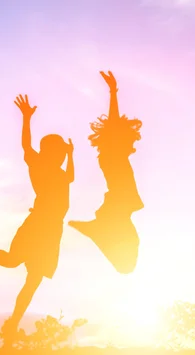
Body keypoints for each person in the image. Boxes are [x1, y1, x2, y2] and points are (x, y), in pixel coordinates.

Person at [0, 94, 74, 344]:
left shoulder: (62, 173)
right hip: (39, 225)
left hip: (52, 231)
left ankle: (13, 325)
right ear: (50, 152)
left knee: (33, 281)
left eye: (63, 152)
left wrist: (71, 155)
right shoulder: (39, 165)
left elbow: (71, 176)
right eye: (60, 151)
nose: (62, 155)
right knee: (12, 262)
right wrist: (26, 118)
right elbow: (26, 146)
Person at [69, 70, 143, 274]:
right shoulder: (114, 152)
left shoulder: (112, 154)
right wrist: (113, 92)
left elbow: (114, 126)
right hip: (121, 199)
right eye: (130, 139)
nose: (132, 143)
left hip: (119, 202)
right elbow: (113, 122)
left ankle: (97, 230)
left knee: (129, 253)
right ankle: (96, 230)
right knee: (129, 253)